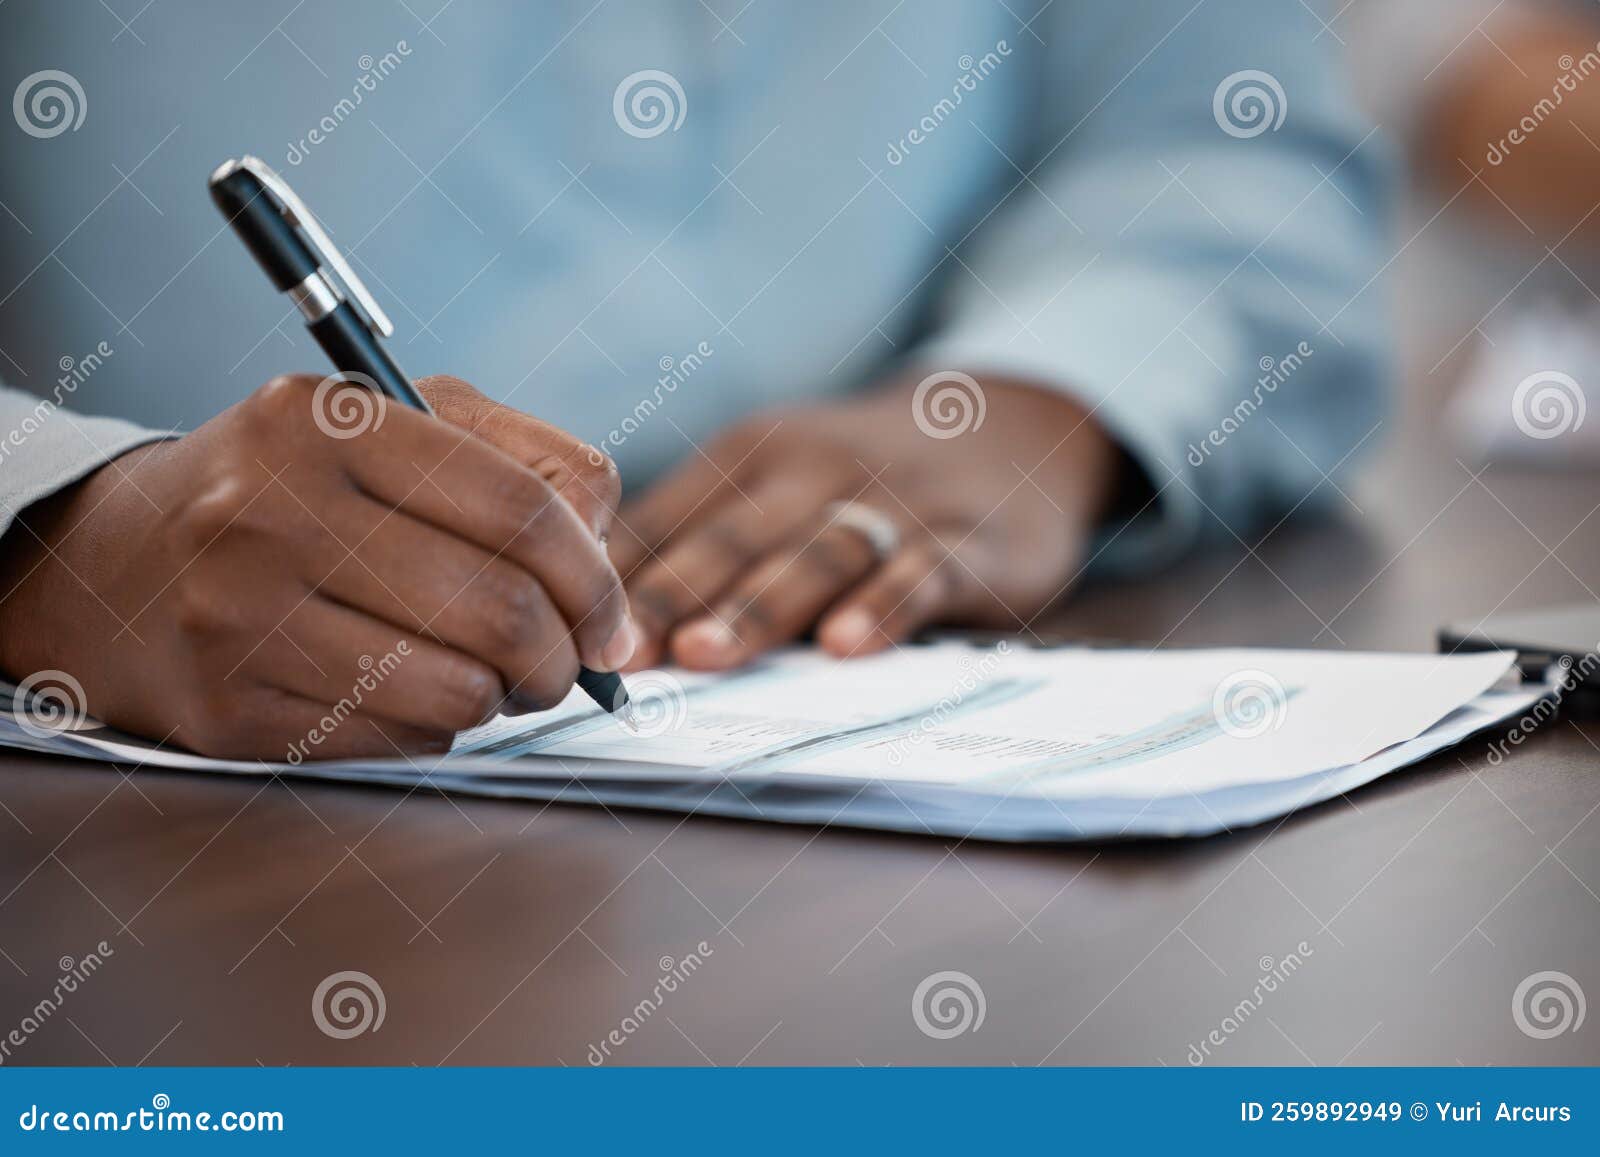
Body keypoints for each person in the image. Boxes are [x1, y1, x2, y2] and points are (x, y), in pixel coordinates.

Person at [0, 0, 1390, 758]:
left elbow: (1226, 132)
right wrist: (59, 536)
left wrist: (1042, 396)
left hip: (884, 653)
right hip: (168, 834)